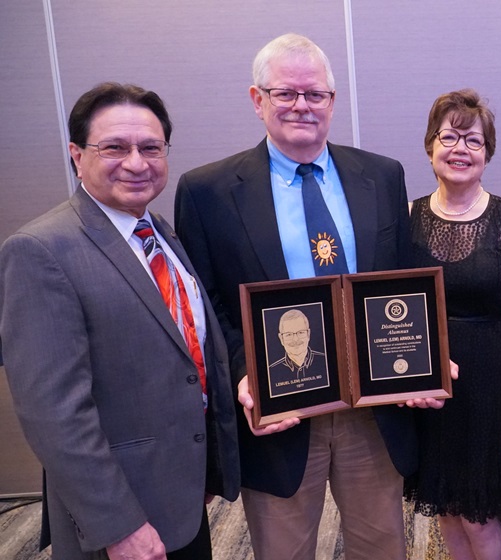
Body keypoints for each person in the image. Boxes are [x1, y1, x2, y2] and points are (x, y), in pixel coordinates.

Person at [174, 33, 416, 560]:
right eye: (285, 93)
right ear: (257, 99)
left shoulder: (381, 175)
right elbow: (206, 302)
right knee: (285, 550)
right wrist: (244, 374)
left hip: (370, 408)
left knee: (382, 547)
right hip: (277, 408)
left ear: (332, 101)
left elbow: (402, 280)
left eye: (315, 94)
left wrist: (421, 357)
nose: (301, 106)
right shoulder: (208, 191)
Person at [0, 82, 239, 559]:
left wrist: (208, 464)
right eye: (114, 147)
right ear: (76, 154)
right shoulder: (41, 251)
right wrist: (118, 526)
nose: (136, 162)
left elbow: (187, 356)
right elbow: (55, 415)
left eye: (151, 147)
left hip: (179, 497)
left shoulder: (159, 233)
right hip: (118, 520)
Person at [404, 88, 501, 560]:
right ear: (430, 146)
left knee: (479, 515)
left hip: (490, 382)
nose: (460, 148)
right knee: (446, 508)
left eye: (474, 141)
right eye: (450, 137)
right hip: (431, 384)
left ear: (487, 154)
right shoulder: (409, 218)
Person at [267, 309, 328, 396]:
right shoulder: (271, 372)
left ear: (308, 334)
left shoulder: (326, 362)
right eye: (288, 334)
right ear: (281, 338)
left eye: (300, 332)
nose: (295, 339)